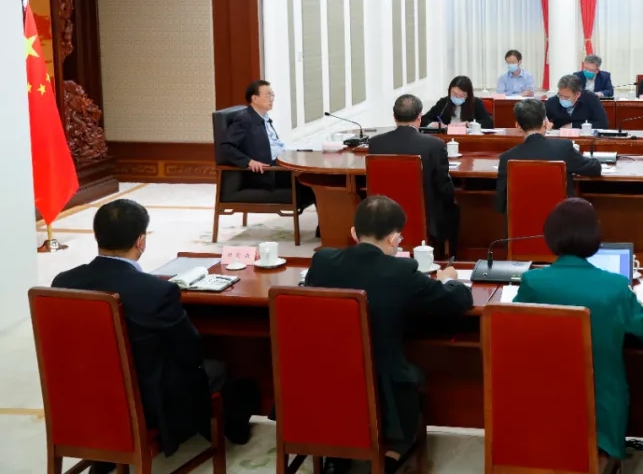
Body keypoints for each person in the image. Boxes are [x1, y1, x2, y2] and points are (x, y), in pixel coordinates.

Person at [52, 200, 257, 471]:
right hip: (143, 403)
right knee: (220, 372)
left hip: (82, 396)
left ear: (97, 236)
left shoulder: (63, 283)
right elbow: (190, 351)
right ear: (141, 241)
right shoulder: (155, 291)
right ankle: (224, 428)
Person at [305, 196, 473, 474]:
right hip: (382, 392)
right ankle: (390, 458)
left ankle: (337, 453)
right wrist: (449, 280)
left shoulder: (322, 261)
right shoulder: (401, 272)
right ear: (394, 239)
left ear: (354, 233)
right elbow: (458, 301)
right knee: (413, 375)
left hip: (325, 384)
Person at [516, 199, 643, 465]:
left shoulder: (532, 282)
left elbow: (514, 330)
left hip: (544, 403)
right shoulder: (615, 286)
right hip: (600, 411)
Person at [368, 94, 459, 258]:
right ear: (419, 117)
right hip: (426, 221)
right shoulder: (434, 145)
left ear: (394, 117)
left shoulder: (376, 143)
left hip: (384, 217)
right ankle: (447, 257)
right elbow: (444, 188)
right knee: (453, 209)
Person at [221, 79, 316, 210]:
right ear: (254, 98)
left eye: (272, 95)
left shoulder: (264, 118)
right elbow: (225, 147)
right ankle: (327, 222)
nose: (272, 99)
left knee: (316, 171)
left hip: (281, 162)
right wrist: (249, 162)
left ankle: (328, 220)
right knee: (315, 179)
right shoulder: (244, 119)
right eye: (268, 95)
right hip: (269, 172)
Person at [495, 99, 602, 213]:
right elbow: (595, 168)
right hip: (560, 221)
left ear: (518, 126)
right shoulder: (563, 148)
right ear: (545, 123)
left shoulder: (506, 158)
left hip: (520, 222)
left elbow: (500, 205)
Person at [420, 75, 494, 129]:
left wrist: (469, 124)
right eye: (454, 94)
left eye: (461, 95)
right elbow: (424, 119)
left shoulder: (476, 103)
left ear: (468, 95)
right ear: (449, 91)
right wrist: (433, 124)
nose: (457, 97)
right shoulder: (443, 103)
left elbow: (488, 122)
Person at [545, 73, 609, 130]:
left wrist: (573, 126)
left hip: (585, 137)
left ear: (578, 94)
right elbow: (542, 120)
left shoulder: (591, 99)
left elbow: (603, 123)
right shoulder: (552, 102)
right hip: (560, 138)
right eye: (560, 95)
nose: (562, 99)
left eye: (566, 97)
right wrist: (546, 124)